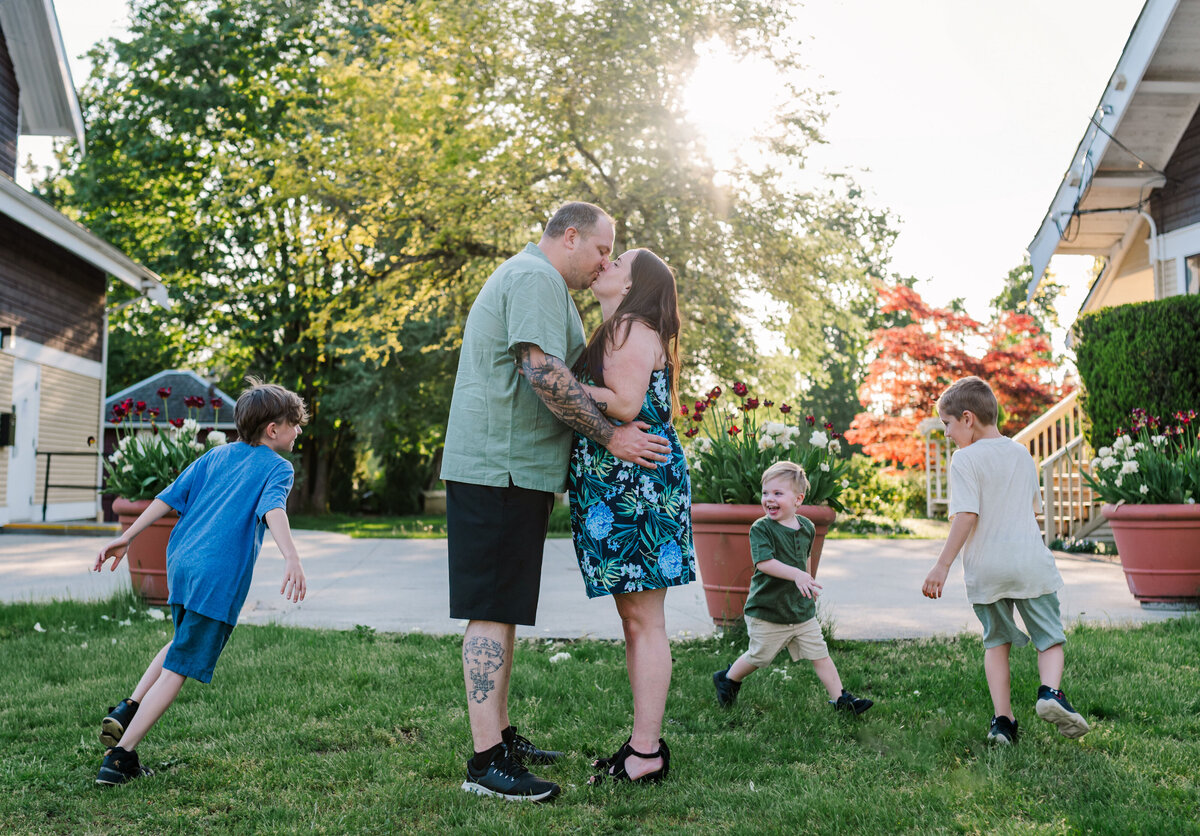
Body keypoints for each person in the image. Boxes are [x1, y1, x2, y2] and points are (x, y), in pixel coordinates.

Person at [441, 202, 671, 803]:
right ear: (571, 236)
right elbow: (542, 373)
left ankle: (501, 738)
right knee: (491, 607)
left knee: (503, 605)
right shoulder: (536, 279)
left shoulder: (544, 285)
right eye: (602, 249)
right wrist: (612, 437)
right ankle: (486, 762)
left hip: (517, 470)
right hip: (499, 467)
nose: (603, 262)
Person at [91, 379, 308, 785]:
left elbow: (167, 496)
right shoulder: (279, 467)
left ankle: (128, 707)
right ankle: (120, 758)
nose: (299, 430)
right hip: (215, 575)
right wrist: (292, 557)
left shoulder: (216, 455)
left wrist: (127, 536)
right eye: (294, 423)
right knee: (181, 666)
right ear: (272, 429)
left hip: (183, 562)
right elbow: (273, 509)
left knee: (181, 642)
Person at [568, 248, 695, 785]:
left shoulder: (628, 327)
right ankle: (642, 745)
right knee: (637, 621)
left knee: (644, 622)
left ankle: (646, 753)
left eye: (619, 261)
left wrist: (559, 382)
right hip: (627, 485)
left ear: (632, 286)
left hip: (635, 488)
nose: (607, 264)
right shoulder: (623, 329)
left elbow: (623, 405)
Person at [922, 375, 1090, 745]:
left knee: (996, 642)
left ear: (967, 419)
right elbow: (1032, 510)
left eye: (947, 424)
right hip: (1029, 563)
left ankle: (1003, 722)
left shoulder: (964, 459)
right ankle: (1050, 692)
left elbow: (966, 515)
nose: (946, 433)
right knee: (1049, 639)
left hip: (987, 569)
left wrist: (942, 564)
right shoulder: (1021, 453)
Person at [713, 461, 873, 715]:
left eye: (778, 493)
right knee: (759, 656)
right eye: (766, 493)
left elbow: (805, 559)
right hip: (768, 610)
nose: (769, 499)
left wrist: (807, 582)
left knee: (820, 654)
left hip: (800, 610)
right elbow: (764, 563)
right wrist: (797, 575)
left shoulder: (807, 527)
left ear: (798, 499)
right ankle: (728, 678)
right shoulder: (762, 528)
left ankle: (842, 700)